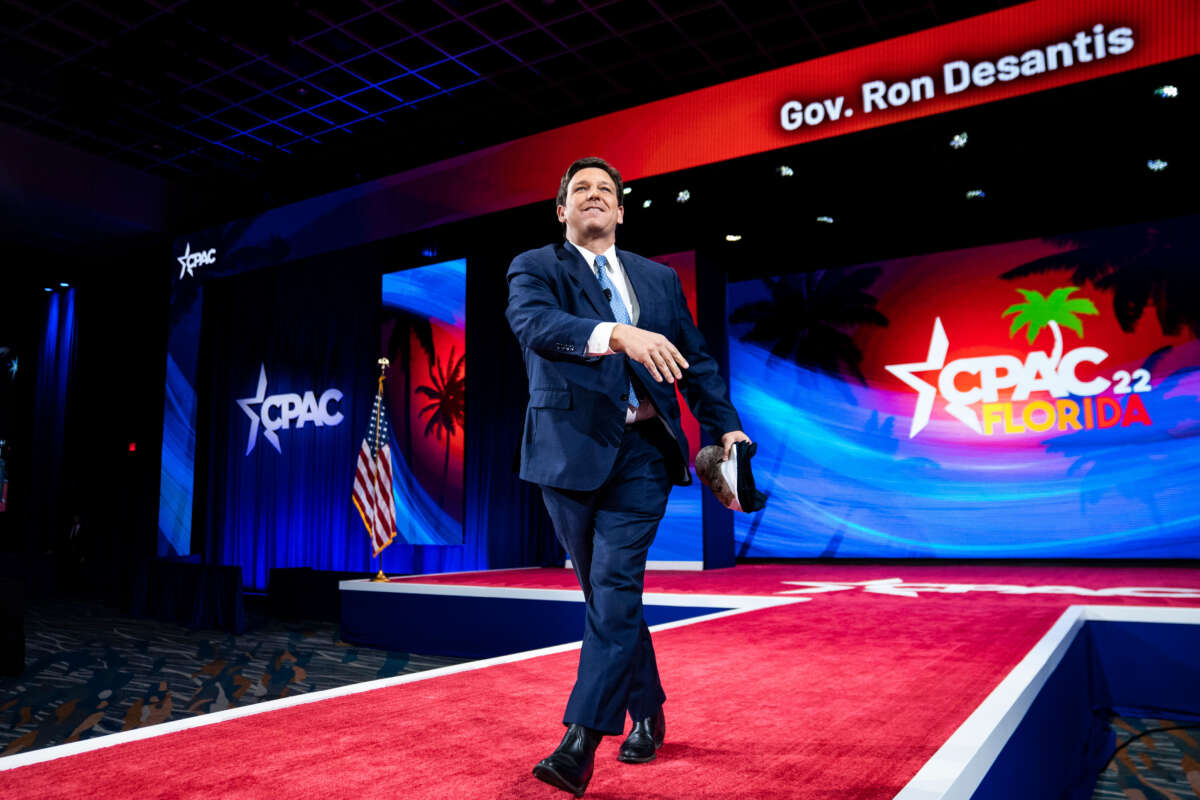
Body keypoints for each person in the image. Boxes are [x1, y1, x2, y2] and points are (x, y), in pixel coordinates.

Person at [506, 157, 750, 796]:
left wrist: (725, 427)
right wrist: (618, 335)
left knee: (615, 582)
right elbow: (537, 327)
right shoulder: (536, 268)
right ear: (562, 211)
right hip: (567, 453)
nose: (592, 197)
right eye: (579, 190)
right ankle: (649, 707)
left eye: (604, 191)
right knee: (606, 597)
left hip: (643, 451)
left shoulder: (659, 279)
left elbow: (695, 363)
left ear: (620, 210)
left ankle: (578, 741)